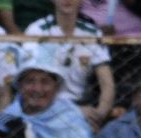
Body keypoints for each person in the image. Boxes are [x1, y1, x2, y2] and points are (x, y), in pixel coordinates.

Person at [23, 0, 115, 128]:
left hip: (83, 108)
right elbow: (31, 87)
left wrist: (98, 116)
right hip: (43, 108)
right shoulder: (37, 31)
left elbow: (107, 84)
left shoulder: (92, 34)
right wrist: (73, 112)